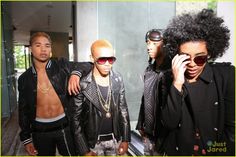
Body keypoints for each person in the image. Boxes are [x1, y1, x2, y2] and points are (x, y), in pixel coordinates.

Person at [161, 9, 235, 155]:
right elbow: (169, 123)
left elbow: (232, 129)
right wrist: (177, 84)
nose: (193, 64)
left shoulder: (226, 76)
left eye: (200, 58)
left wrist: (215, 152)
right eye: (186, 58)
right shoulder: (168, 79)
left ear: (209, 54)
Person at [18, 32, 92, 156]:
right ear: (30, 49)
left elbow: (88, 65)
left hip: (64, 127)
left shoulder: (61, 65)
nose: (43, 49)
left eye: (47, 46)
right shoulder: (24, 79)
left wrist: (75, 73)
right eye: (38, 45)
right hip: (39, 131)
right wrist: (26, 139)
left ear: (50, 49)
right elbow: (23, 111)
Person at [71, 39, 131, 156]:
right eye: (102, 59)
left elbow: (123, 110)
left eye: (111, 59)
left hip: (115, 139)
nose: (107, 63)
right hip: (93, 143)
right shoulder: (83, 84)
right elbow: (75, 120)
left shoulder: (117, 79)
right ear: (92, 58)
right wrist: (84, 150)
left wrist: (125, 138)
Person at [136, 29, 171, 155]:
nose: (149, 47)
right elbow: (145, 98)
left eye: (154, 43)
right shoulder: (149, 70)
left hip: (168, 135)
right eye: (148, 43)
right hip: (149, 134)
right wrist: (141, 124)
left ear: (165, 45)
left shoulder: (173, 71)